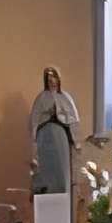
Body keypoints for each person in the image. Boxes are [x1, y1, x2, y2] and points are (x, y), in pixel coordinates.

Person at [29, 67, 80, 196]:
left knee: (61, 167)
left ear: (59, 80)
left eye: (54, 79)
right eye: (49, 80)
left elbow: (73, 119)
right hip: (45, 137)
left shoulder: (65, 97)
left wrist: (76, 140)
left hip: (60, 136)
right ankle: (46, 188)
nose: (52, 82)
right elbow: (34, 120)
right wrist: (47, 115)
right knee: (47, 167)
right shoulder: (41, 98)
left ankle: (61, 189)